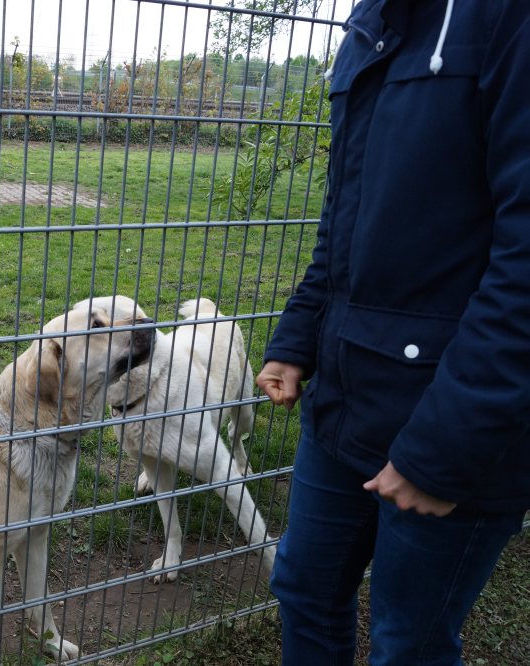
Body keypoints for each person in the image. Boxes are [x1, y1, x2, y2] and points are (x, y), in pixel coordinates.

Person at [255, 0, 530, 663]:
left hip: (455, 416)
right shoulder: (371, 24)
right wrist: (299, 335)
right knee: (305, 589)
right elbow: (343, 220)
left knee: (409, 642)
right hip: (347, 399)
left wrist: (443, 449)